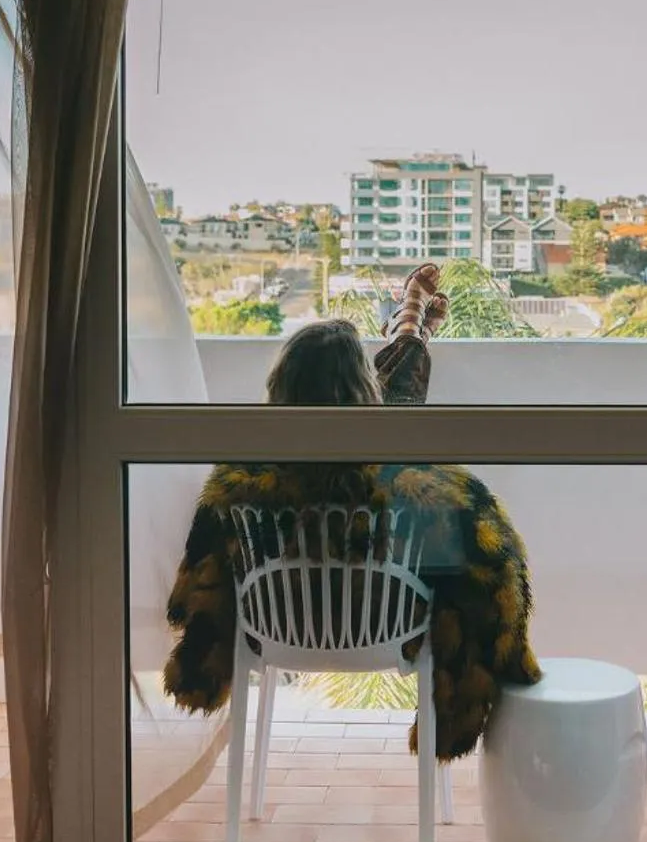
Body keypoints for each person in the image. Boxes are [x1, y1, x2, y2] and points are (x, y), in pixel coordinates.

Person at [163, 269, 541, 761]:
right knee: (401, 405)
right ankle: (410, 327)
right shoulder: (415, 479)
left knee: (400, 402)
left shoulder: (239, 479)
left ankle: (411, 322)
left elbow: (196, 583)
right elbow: (497, 564)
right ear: (365, 389)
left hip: (277, 627)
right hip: (389, 627)